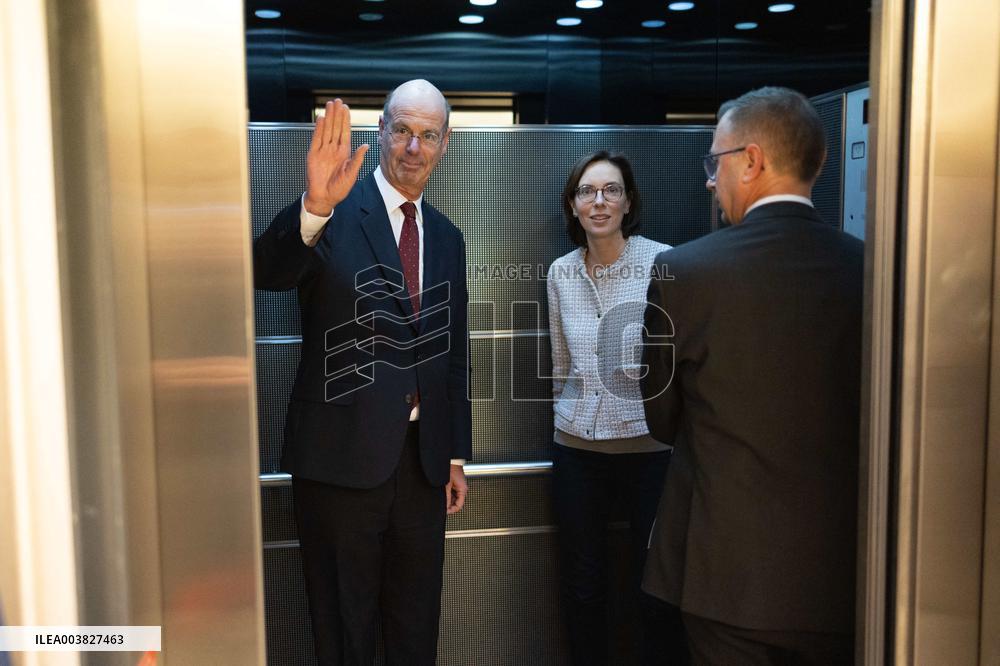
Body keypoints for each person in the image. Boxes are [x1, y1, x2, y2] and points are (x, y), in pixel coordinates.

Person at [640, 87, 864, 665]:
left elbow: (661, 417)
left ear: (752, 160)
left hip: (725, 574)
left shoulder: (683, 270)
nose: (710, 180)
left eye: (715, 161)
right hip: (847, 575)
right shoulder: (870, 269)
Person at [253, 79, 472, 666]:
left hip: (423, 466)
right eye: (401, 130)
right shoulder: (332, 212)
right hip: (339, 460)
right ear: (382, 133)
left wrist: (452, 453)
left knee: (414, 626)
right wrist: (314, 206)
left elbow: (453, 353)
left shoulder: (447, 237)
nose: (413, 147)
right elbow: (266, 270)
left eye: (428, 135)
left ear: (445, 144)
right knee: (343, 627)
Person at [546, 151, 687, 665]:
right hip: (577, 451)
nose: (599, 201)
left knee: (654, 584)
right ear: (573, 205)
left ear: (628, 202)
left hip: (650, 451)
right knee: (583, 584)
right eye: (588, 191)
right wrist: (570, 415)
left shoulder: (663, 262)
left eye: (611, 190)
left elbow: (677, 362)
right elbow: (561, 363)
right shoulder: (560, 272)